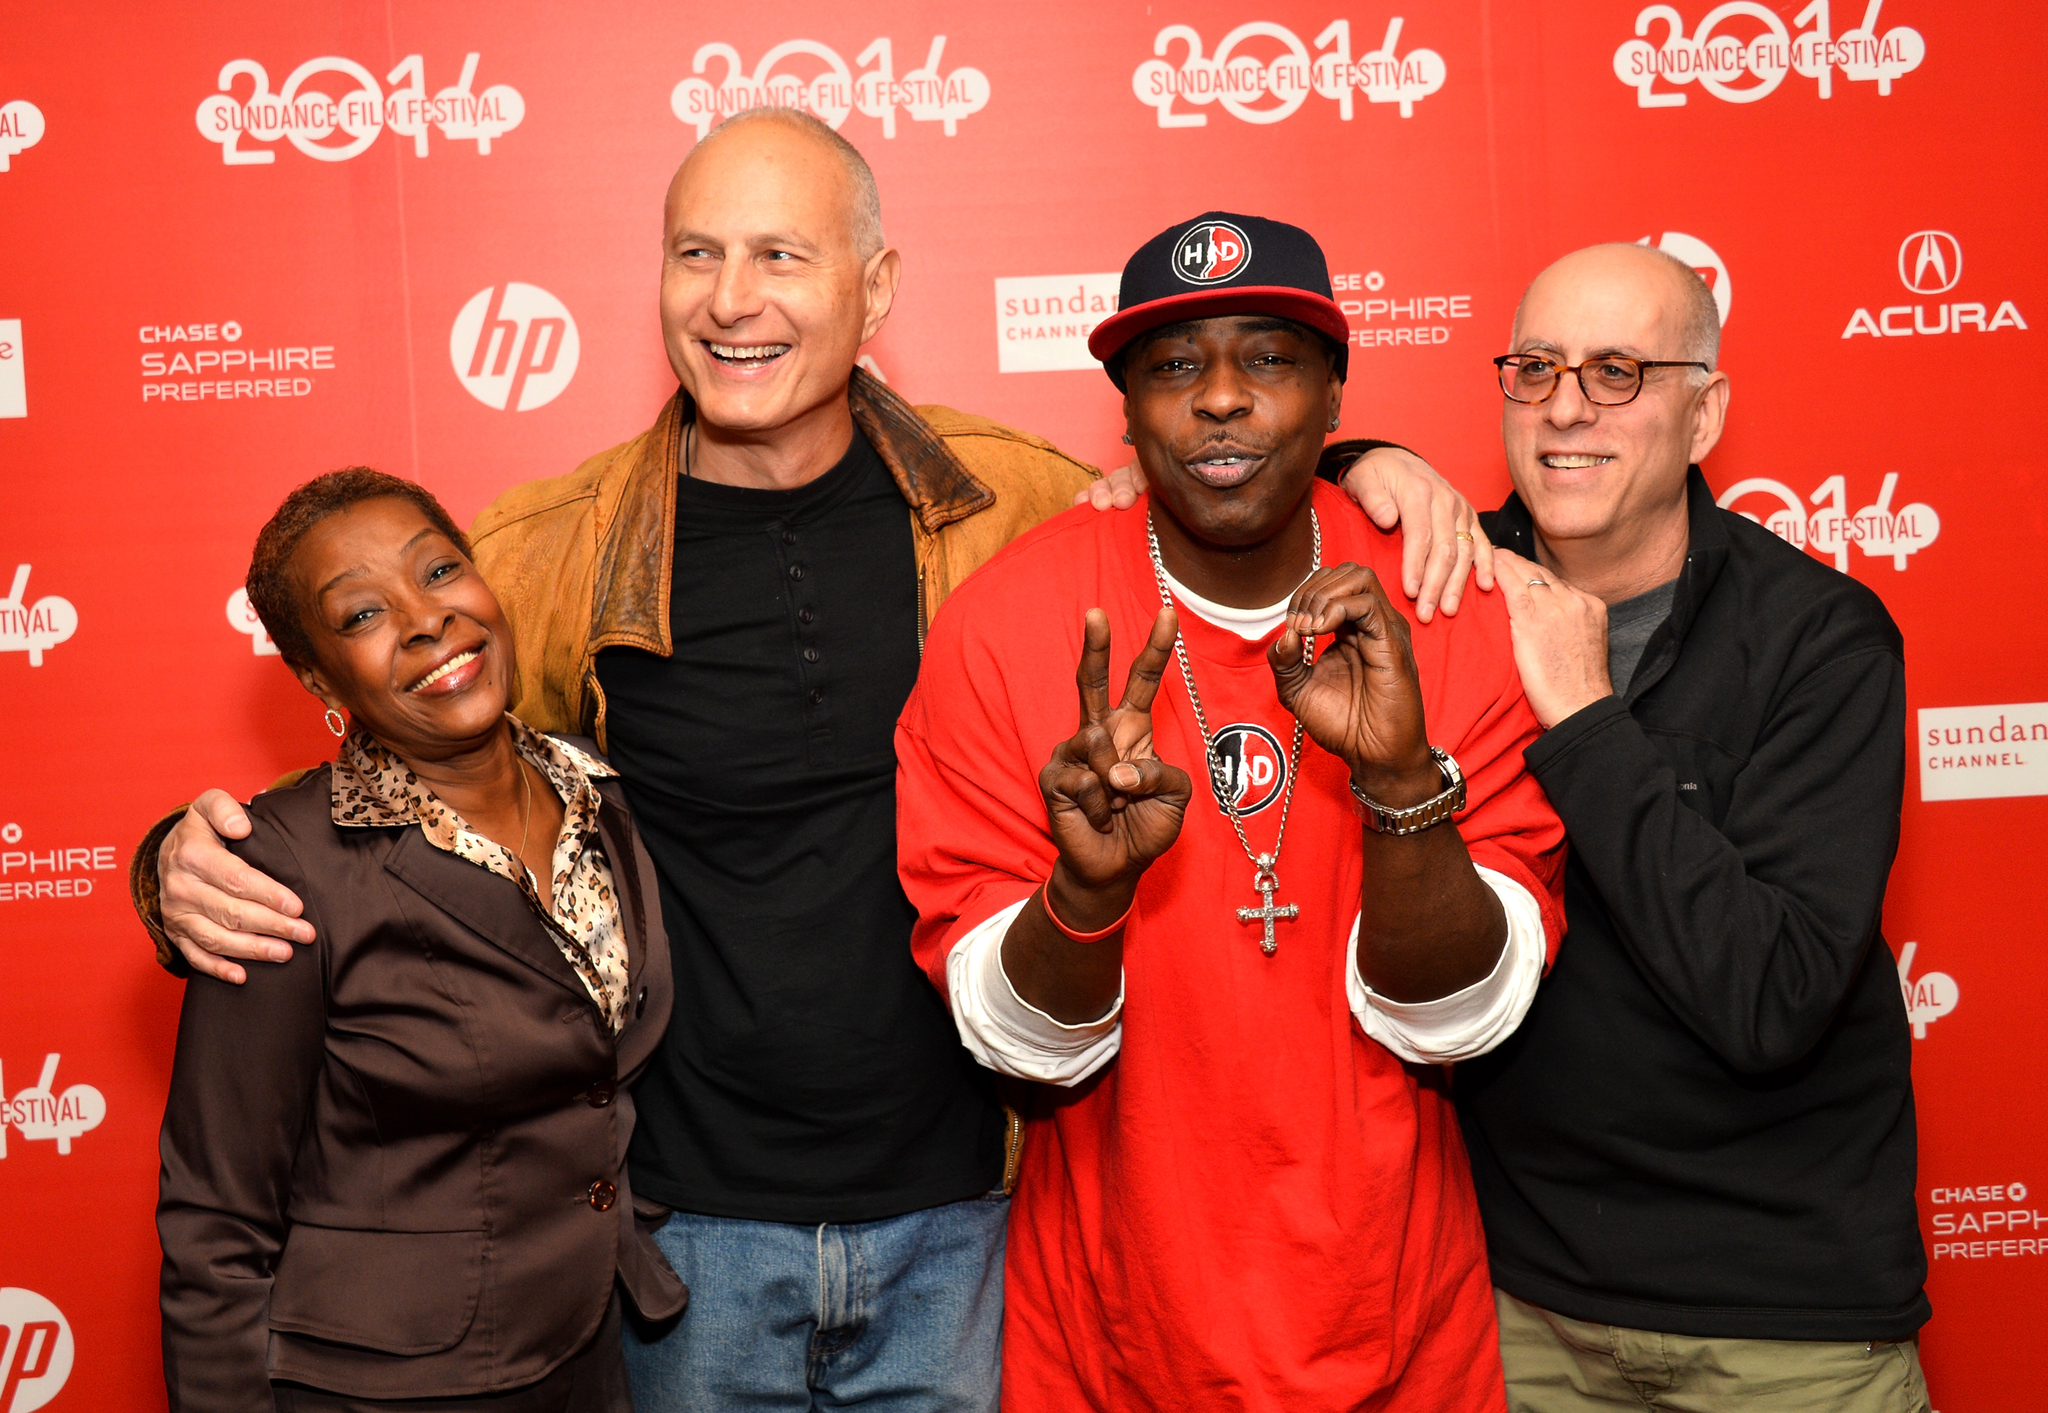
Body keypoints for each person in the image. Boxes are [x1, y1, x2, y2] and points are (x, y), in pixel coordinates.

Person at [131, 113, 1478, 1410]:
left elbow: (1220, 474)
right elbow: (404, 771)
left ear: (875, 284)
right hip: (686, 1236)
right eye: (697, 253)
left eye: (783, 255)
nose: (733, 299)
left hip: (968, 1214)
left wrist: (1372, 465)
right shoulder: (548, 545)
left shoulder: (1012, 494)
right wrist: (171, 865)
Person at [894, 212, 1566, 1410]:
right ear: (1125, 410)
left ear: (1332, 389)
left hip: (1399, 1330)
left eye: (1265, 358)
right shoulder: (1005, 623)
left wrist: (1402, 785)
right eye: (1171, 367)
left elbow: (1462, 1020)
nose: (1217, 399)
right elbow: (1019, 1048)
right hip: (1109, 1338)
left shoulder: (1443, 599)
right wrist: (1086, 891)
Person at [1434, 244, 1930, 1411]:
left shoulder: (1820, 640)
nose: (1563, 405)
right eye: (1535, 367)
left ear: (1702, 413)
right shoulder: (1445, 590)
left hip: (1780, 1331)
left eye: (1616, 371)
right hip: (1519, 1312)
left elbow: (1770, 999)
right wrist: (1375, 462)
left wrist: (1583, 715)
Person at [158, 470, 683, 1412]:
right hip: (388, 1386)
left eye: (439, 570)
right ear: (319, 678)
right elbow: (215, 1219)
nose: (425, 619)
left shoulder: (596, 795)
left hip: (590, 1354)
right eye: (361, 615)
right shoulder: (280, 866)